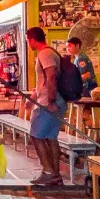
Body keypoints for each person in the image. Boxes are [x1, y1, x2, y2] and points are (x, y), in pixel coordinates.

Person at [25, 26, 66, 186]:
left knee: (36, 136)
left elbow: (51, 78)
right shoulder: (52, 52)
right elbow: (42, 82)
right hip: (49, 101)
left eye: (28, 40)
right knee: (50, 138)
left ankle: (48, 172)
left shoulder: (45, 54)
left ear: (32, 40)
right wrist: (32, 97)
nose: (29, 43)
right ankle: (56, 175)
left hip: (48, 104)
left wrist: (50, 101)